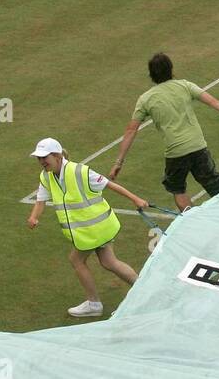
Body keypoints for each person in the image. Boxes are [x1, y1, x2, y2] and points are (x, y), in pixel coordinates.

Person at [111, 52, 219, 211]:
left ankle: (192, 221)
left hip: (176, 153)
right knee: (212, 181)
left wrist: (118, 162)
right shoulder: (185, 85)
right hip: (198, 146)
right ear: (171, 69)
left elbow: (131, 130)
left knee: (177, 188)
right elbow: (215, 103)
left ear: (151, 74)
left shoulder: (145, 99)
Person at [27, 136, 146, 318]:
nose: (42, 161)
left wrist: (136, 199)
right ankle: (143, 292)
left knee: (76, 260)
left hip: (96, 229)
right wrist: (34, 217)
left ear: (57, 156)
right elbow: (40, 200)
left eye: (45, 157)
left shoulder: (79, 171)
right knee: (109, 262)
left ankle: (94, 303)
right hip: (91, 230)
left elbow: (109, 185)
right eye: (39, 158)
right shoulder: (46, 176)